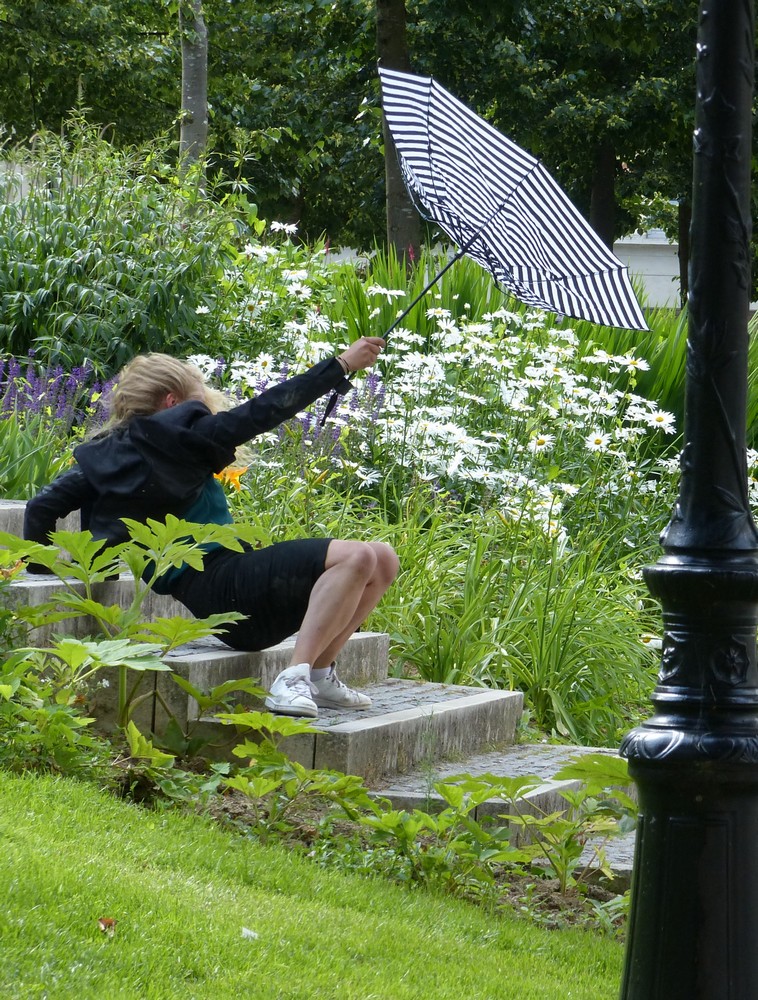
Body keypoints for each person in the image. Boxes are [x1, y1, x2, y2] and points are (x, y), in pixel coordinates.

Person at [23, 338, 398, 719]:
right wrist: (340, 365)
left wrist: (42, 568)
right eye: (198, 402)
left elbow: (41, 508)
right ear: (172, 403)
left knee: (383, 559)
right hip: (223, 584)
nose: (207, 411)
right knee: (358, 555)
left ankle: (318, 674)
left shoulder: (107, 459)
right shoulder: (189, 438)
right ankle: (291, 679)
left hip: (227, 595)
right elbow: (267, 409)